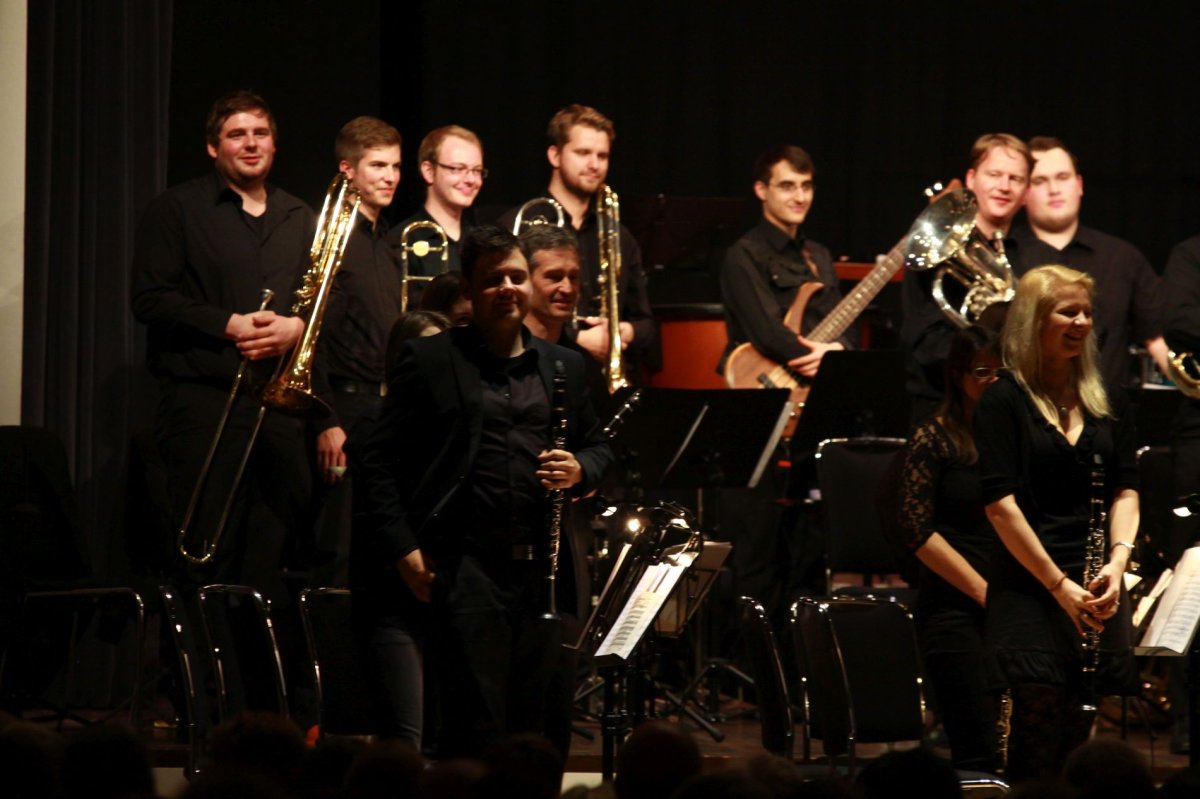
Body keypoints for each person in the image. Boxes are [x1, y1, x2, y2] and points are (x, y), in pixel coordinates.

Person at [350, 225, 613, 758]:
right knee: (474, 728)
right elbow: (376, 460)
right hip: (465, 566)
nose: (508, 288)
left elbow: (601, 448)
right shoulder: (429, 359)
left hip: (544, 571)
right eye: (493, 280)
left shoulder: (564, 364)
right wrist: (403, 548)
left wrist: (580, 468)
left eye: (516, 276)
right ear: (470, 290)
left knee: (539, 729)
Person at [130, 90, 313, 596]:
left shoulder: (299, 215)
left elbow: (327, 296)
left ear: (274, 144)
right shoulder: (177, 209)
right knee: (204, 555)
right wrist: (227, 324)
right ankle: (202, 649)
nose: (250, 144)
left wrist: (297, 326)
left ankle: (254, 647)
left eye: (260, 133)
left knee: (269, 556)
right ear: (214, 147)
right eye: (237, 134)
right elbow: (149, 298)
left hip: (276, 409)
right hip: (203, 404)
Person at [974, 265, 1139, 782]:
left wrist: (1118, 562)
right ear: (1034, 320)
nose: (1082, 322)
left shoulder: (1105, 397)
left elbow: (1126, 489)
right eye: (1068, 312)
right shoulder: (1003, 400)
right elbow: (999, 505)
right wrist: (1057, 585)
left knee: (1077, 733)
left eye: (1087, 312)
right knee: (1035, 738)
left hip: (1094, 584)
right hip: (1029, 584)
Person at [717, 144, 854, 622]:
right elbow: (765, 331)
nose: (799, 196)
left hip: (813, 414)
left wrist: (837, 353)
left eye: (806, 186)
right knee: (759, 554)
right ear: (762, 190)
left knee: (810, 551)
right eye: (787, 186)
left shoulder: (819, 256)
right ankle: (753, 660)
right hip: (759, 415)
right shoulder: (743, 255)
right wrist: (815, 353)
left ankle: (805, 656)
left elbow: (845, 326)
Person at [895, 325, 1001, 772]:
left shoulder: (1016, 438)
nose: (994, 381)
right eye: (982, 372)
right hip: (954, 607)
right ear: (957, 376)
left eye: (1003, 372)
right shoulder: (933, 437)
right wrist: (984, 593)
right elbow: (916, 532)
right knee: (980, 749)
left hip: (1013, 605)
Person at [499, 104, 659, 386]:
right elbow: (503, 314)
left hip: (603, 384)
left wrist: (620, 333)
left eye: (602, 155)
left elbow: (647, 326)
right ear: (555, 155)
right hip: (536, 379)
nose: (594, 165)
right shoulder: (519, 226)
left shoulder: (621, 236)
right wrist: (577, 338)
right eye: (583, 153)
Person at [309, 115, 403, 587]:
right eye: (378, 166)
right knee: (337, 549)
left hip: (383, 410)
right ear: (348, 170)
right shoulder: (331, 240)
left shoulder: (387, 243)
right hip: (345, 408)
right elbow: (313, 338)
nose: (390, 177)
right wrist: (326, 420)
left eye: (395, 166)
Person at [1016, 136, 1168, 395]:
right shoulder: (1006, 254)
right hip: (1025, 412)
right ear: (1023, 193)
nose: (1054, 189)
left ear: (1079, 185)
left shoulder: (1122, 257)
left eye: (1062, 177)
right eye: (1039, 181)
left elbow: (1158, 341)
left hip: (1106, 414)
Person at [902, 133, 1031, 422]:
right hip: (943, 408)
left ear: (1026, 192)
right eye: (994, 174)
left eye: (1015, 179)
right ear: (971, 179)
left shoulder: (1036, 257)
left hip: (1014, 410)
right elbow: (924, 343)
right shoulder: (935, 251)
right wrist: (991, 355)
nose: (1004, 186)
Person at [398, 125, 485, 296]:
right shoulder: (402, 241)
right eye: (457, 169)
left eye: (477, 171)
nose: (471, 179)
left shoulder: (480, 243)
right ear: (429, 171)